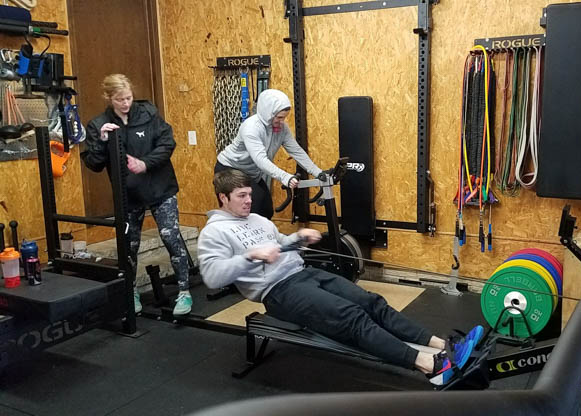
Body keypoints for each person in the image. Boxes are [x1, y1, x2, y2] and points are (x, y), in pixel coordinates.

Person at [197, 169, 482, 385]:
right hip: (277, 292)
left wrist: (298, 238)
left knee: (372, 302)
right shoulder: (215, 231)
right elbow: (212, 276)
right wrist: (250, 256)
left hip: (303, 273)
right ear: (223, 197)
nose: (249, 201)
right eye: (241, 196)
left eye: (250, 194)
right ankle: (429, 366)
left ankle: (440, 344)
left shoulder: (258, 220)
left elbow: (279, 243)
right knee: (350, 317)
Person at [81, 74, 192, 316]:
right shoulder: (99, 124)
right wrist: (102, 141)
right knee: (129, 246)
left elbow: (167, 144)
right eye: (119, 99)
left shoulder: (148, 114)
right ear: (108, 98)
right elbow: (93, 164)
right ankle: (131, 291)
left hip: (160, 187)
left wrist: (145, 163)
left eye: (128, 98)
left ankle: (184, 291)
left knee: (171, 237)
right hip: (128, 194)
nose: (125, 103)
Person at [214, 89, 323, 220]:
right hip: (229, 169)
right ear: (268, 113)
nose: (282, 121)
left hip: (251, 173)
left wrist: (318, 172)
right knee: (252, 208)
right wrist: (285, 177)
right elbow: (260, 159)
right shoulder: (251, 127)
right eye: (279, 117)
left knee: (266, 209)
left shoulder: (281, 128)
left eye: (284, 117)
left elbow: (296, 151)